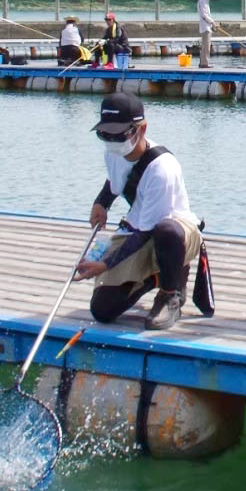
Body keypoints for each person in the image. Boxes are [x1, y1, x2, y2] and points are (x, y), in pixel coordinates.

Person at [74, 92, 204, 330]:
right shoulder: (114, 152)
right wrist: (101, 203)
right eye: (104, 134)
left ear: (141, 129)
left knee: (166, 231)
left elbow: (146, 232)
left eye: (119, 134)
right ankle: (158, 276)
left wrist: (106, 264)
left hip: (176, 234)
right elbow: (115, 181)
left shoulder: (162, 169)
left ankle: (170, 292)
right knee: (102, 310)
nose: (112, 140)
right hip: (139, 229)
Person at [197, 0, 217, 67]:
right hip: (205, 27)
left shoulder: (205, 0)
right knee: (206, 46)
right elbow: (204, 15)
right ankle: (205, 63)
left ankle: (203, 62)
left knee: (205, 45)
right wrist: (212, 22)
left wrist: (211, 23)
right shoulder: (202, 1)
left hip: (207, 26)